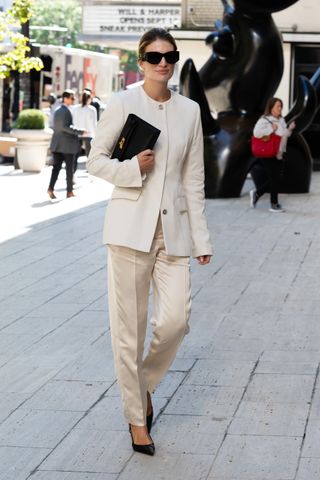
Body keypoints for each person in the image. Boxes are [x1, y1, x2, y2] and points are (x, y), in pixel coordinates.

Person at [87, 27, 213, 456]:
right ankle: (137, 420)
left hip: (174, 233)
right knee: (130, 332)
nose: (163, 63)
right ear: (141, 62)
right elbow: (96, 162)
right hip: (128, 233)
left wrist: (201, 235)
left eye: (170, 56)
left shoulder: (190, 111)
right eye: (155, 56)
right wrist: (132, 168)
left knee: (175, 322)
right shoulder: (123, 103)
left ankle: (141, 385)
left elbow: (193, 178)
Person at [250, 97, 295, 212]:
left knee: (276, 178)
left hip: (278, 152)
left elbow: (283, 135)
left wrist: (289, 129)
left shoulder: (281, 120)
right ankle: (274, 204)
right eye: (277, 106)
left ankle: (257, 193)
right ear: (271, 107)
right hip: (267, 152)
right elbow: (256, 133)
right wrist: (271, 128)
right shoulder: (264, 120)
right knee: (274, 178)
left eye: (281, 106)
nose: (280, 108)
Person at [47, 90, 85, 199]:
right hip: (67, 145)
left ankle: (51, 188)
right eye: (72, 98)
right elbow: (65, 127)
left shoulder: (57, 110)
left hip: (57, 144)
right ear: (66, 98)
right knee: (69, 169)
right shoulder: (65, 111)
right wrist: (80, 131)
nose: (74, 100)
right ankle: (69, 192)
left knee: (56, 168)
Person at [71, 89, 97, 172]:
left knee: (75, 156)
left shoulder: (75, 108)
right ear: (89, 99)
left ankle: (72, 174)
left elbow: (72, 121)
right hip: (89, 135)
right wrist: (95, 135)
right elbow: (94, 124)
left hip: (77, 134)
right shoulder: (92, 109)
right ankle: (90, 172)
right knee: (89, 156)